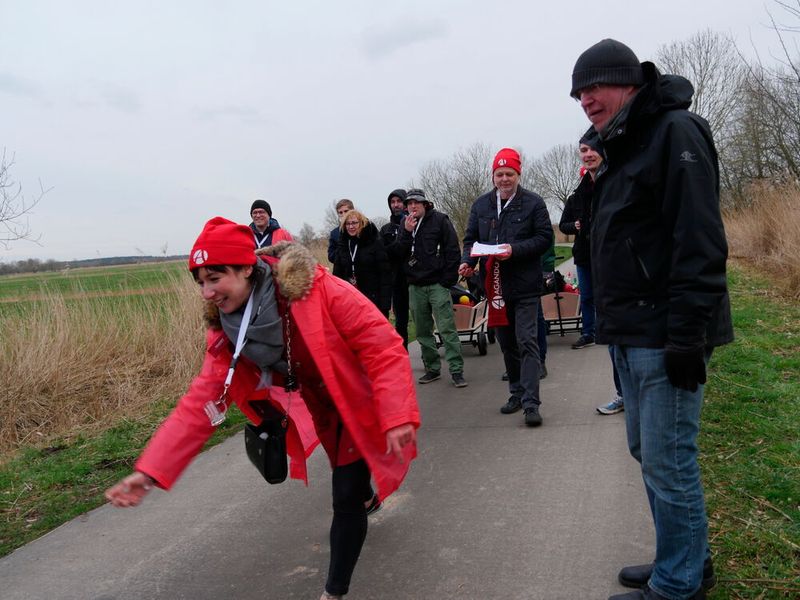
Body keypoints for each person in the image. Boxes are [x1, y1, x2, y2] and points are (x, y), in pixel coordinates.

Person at [105, 217, 420, 600]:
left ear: (246, 269)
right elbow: (200, 402)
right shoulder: (228, 327)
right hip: (322, 407)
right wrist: (150, 471)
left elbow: (382, 347)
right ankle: (364, 491)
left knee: (345, 495)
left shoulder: (319, 290)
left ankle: (334, 591)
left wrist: (396, 413)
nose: (207, 292)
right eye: (200, 281)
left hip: (359, 397)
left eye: (215, 278)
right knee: (346, 474)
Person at [571, 39, 733, 599]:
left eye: (594, 87)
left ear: (628, 81)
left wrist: (688, 335)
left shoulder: (675, 131)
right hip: (631, 330)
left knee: (668, 460)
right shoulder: (620, 144)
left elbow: (700, 241)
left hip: (666, 331)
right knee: (649, 451)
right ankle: (685, 559)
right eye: (578, 93)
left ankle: (678, 586)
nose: (585, 99)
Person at [459, 148, 553, 427]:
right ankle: (516, 392)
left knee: (527, 341)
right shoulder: (481, 206)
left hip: (525, 285)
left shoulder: (533, 203)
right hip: (496, 288)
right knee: (507, 343)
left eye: (509, 174)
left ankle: (531, 404)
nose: (504, 179)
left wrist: (515, 250)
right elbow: (471, 240)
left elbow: (544, 238)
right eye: (499, 174)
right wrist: (468, 263)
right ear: (493, 176)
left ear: (518, 174)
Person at [558, 133, 625, 414]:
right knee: (594, 305)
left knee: (624, 328)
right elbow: (565, 225)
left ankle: (633, 395)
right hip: (587, 256)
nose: (587, 154)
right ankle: (623, 393)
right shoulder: (580, 193)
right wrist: (576, 225)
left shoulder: (619, 180)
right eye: (583, 150)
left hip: (619, 263)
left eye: (592, 149)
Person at [397, 189, 467, 388]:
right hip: (415, 285)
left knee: (446, 328)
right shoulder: (405, 224)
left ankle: (456, 370)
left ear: (425, 204)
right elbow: (399, 253)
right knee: (422, 331)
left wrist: (448, 279)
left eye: (416, 203)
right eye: (409, 203)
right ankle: (432, 368)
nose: (412, 207)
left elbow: (452, 249)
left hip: (437, 283)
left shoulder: (440, 220)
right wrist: (406, 233)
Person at [332, 209, 392, 316]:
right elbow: (337, 274)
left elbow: (385, 273)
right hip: (351, 297)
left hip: (373, 297)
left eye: (354, 223)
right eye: (348, 224)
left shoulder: (374, 242)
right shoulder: (342, 245)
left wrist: (385, 302)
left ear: (362, 223)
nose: (351, 227)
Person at [380, 189, 410, 347]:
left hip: (416, 279)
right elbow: (383, 255)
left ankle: (429, 359)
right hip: (396, 281)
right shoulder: (385, 230)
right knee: (401, 322)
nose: (396, 205)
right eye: (393, 202)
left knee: (423, 321)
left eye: (399, 201)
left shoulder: (415, 224)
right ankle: (403, 358)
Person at [328, 199, 355, 264]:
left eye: (346, 211)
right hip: (344, 271)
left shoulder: (365, 228)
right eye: (340, 212)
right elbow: (331, 257)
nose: (344, 214)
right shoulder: (334, 233)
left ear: (353, 211)